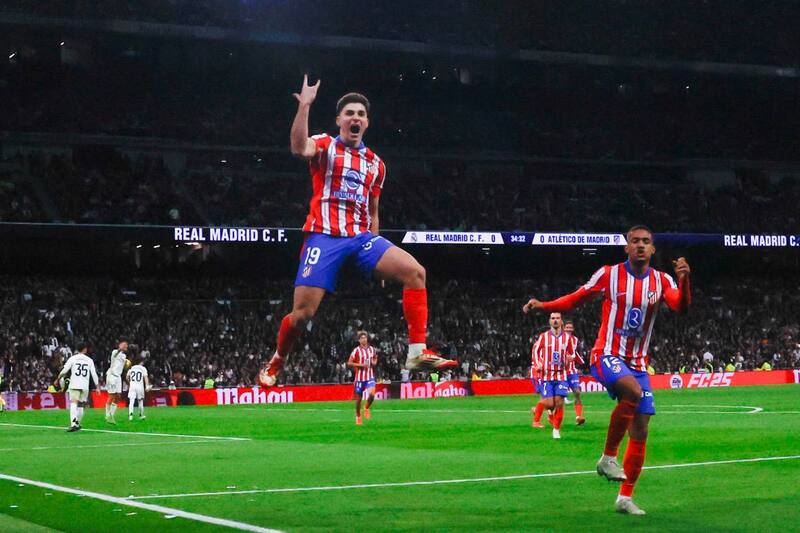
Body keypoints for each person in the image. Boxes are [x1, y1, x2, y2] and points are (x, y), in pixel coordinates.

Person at [257, 75, 456, 388]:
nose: (355, 118)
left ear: (367, 123)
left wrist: (376, 245)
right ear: (339, 120)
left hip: (362, 238)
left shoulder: (376, 164)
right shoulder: (324, 145)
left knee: (416, 272)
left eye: (361, 114)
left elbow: (373, 210)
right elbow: (298, 147)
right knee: (302, 315)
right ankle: (279, 358)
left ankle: (417, 351)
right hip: (323, 236)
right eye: (349, 113)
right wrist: (305, 107)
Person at [523, 225, 691, 515]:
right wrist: (544, 305)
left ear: (652, 249)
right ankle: (607, 457)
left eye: (646, 242)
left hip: (638, 362)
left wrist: (684, 280)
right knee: (633, 391)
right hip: (606, 354)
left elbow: (682, 308)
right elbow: (575, 298)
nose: (640, 246)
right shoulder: (609, 274)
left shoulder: (663, 281)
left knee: (640, 431)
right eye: (635, 241)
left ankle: (624, 498)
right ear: (626, 247)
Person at [529, 312, 576, 439]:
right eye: (553, 318)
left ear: (561, 322)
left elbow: (572, 354)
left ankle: (556, 430)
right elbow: (535, 350)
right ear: (550, 321)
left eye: (557, 318)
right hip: (546, 375)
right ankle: (539, 414)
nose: (555, 320)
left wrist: (570, 358)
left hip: (561, 375)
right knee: (549, 403)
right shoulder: (544, 337)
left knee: (559, 402)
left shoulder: (568, 338)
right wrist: (537, 364)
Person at [54, 342, 100, 432]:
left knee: (73, 403)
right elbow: (94, 374)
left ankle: (73, 424)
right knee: (81, 405)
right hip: (85, 385)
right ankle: (77, 423)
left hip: (75, 383)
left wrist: (57, 378)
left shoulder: (73, 358)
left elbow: (65, 370)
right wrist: (97, 386)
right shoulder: (89, 360)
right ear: (85, 349)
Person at [347, 330, 376, 426]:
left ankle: (366, 407)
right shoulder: (356, 350)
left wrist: (374, 362)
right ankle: (358, 416)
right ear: (359, 340)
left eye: (365, 337)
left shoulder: (372, 349)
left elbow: (375, 357)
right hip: (359, 378)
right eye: (362, 338)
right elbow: (349, 363)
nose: (364, 339)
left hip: (369, 376)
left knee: (372, 394)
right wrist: (360, 365)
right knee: (358, 399)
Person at [563, 320, 586, 425]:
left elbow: (575, 352)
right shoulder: (559, 339)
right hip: (560, 372)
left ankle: (578, 417)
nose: (569, 329)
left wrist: (577, 359)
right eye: (567, 327)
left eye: (570, 328)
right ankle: (539, 409)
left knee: (577, 392)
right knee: (557, 398)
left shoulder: (575, 339)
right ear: (563, 328)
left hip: (572, 371)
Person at [105, 339, 129, 425]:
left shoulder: (124, 356)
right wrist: (120, 349)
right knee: (112, 396)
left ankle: (111, 414)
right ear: (120, 345)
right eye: (124, 345)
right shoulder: (115, 352)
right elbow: (114, 355)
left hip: (118, 377)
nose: (126, 346)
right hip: (112, 376)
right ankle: (107, 415)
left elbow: (123, 367)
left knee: (118, 396)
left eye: (126, 346)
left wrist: (127, 365)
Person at [126, 354, 150, 421]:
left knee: (131, 401)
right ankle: (141, 415)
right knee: (140, 401)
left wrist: (130, 382)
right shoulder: (143, 368)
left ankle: (130, 416)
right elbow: (146, 377)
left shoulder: (131, 368)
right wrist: (147, 386)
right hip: (139, 386)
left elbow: (127, 377)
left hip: (132, 386)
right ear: (141, 362)